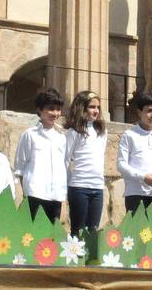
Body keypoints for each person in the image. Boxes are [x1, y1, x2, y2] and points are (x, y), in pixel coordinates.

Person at [116, 90, 152, 213]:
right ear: (139, 112)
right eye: (149, 110)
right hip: (135, 193)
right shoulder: (129, 135)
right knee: (136, 231)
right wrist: (143, 177)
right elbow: (121, 164)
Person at [13, 87, 67, 222]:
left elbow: (64, 164)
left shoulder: (61, 136)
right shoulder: (30, 135)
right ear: (39, 110)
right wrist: (27, 192)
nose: (55, 113)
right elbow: (20, 166)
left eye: (58, 109)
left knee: (51, 237)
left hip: (55, 194)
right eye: (51, 108)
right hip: (35, 192)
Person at [64, 91, 107, 237]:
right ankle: (76, 258)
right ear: (82, 108)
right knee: (78, 231)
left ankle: (89, 260)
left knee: (92, 231)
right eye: (92, 107)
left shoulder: (101, 131)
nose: (96, 111)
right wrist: (68, 185)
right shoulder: (73, 132)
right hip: (79, 186)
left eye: (98, 107)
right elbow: (66, 160)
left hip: (97, 187)